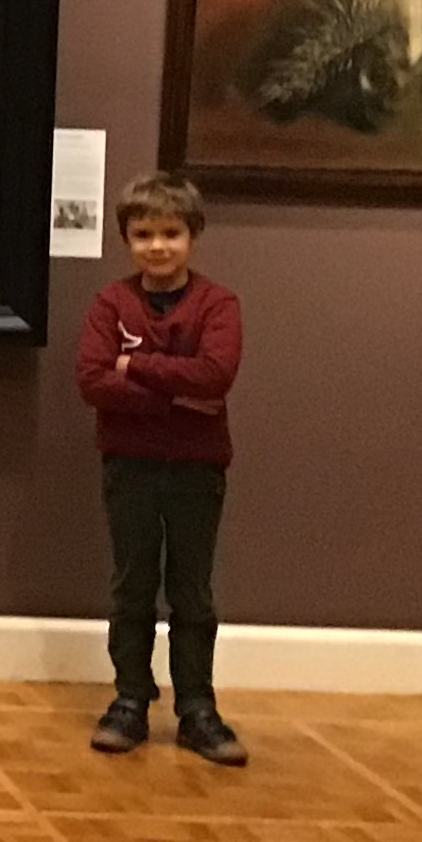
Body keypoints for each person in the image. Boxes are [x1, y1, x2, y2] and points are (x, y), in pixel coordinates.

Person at [74, 171, 247, 764]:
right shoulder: (110, 303)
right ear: (127, 239)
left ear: (192, 235)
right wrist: (180, 395)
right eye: (144, 234)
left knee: (192, 591)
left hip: (198, 468)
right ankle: (130, 700)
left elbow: (215, 375)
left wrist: (135, 365)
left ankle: (197, 707)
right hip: (130, 466)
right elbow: (92, 381)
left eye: (171, 233)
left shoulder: (218, 304)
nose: (158, 246)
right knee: (133, 585)